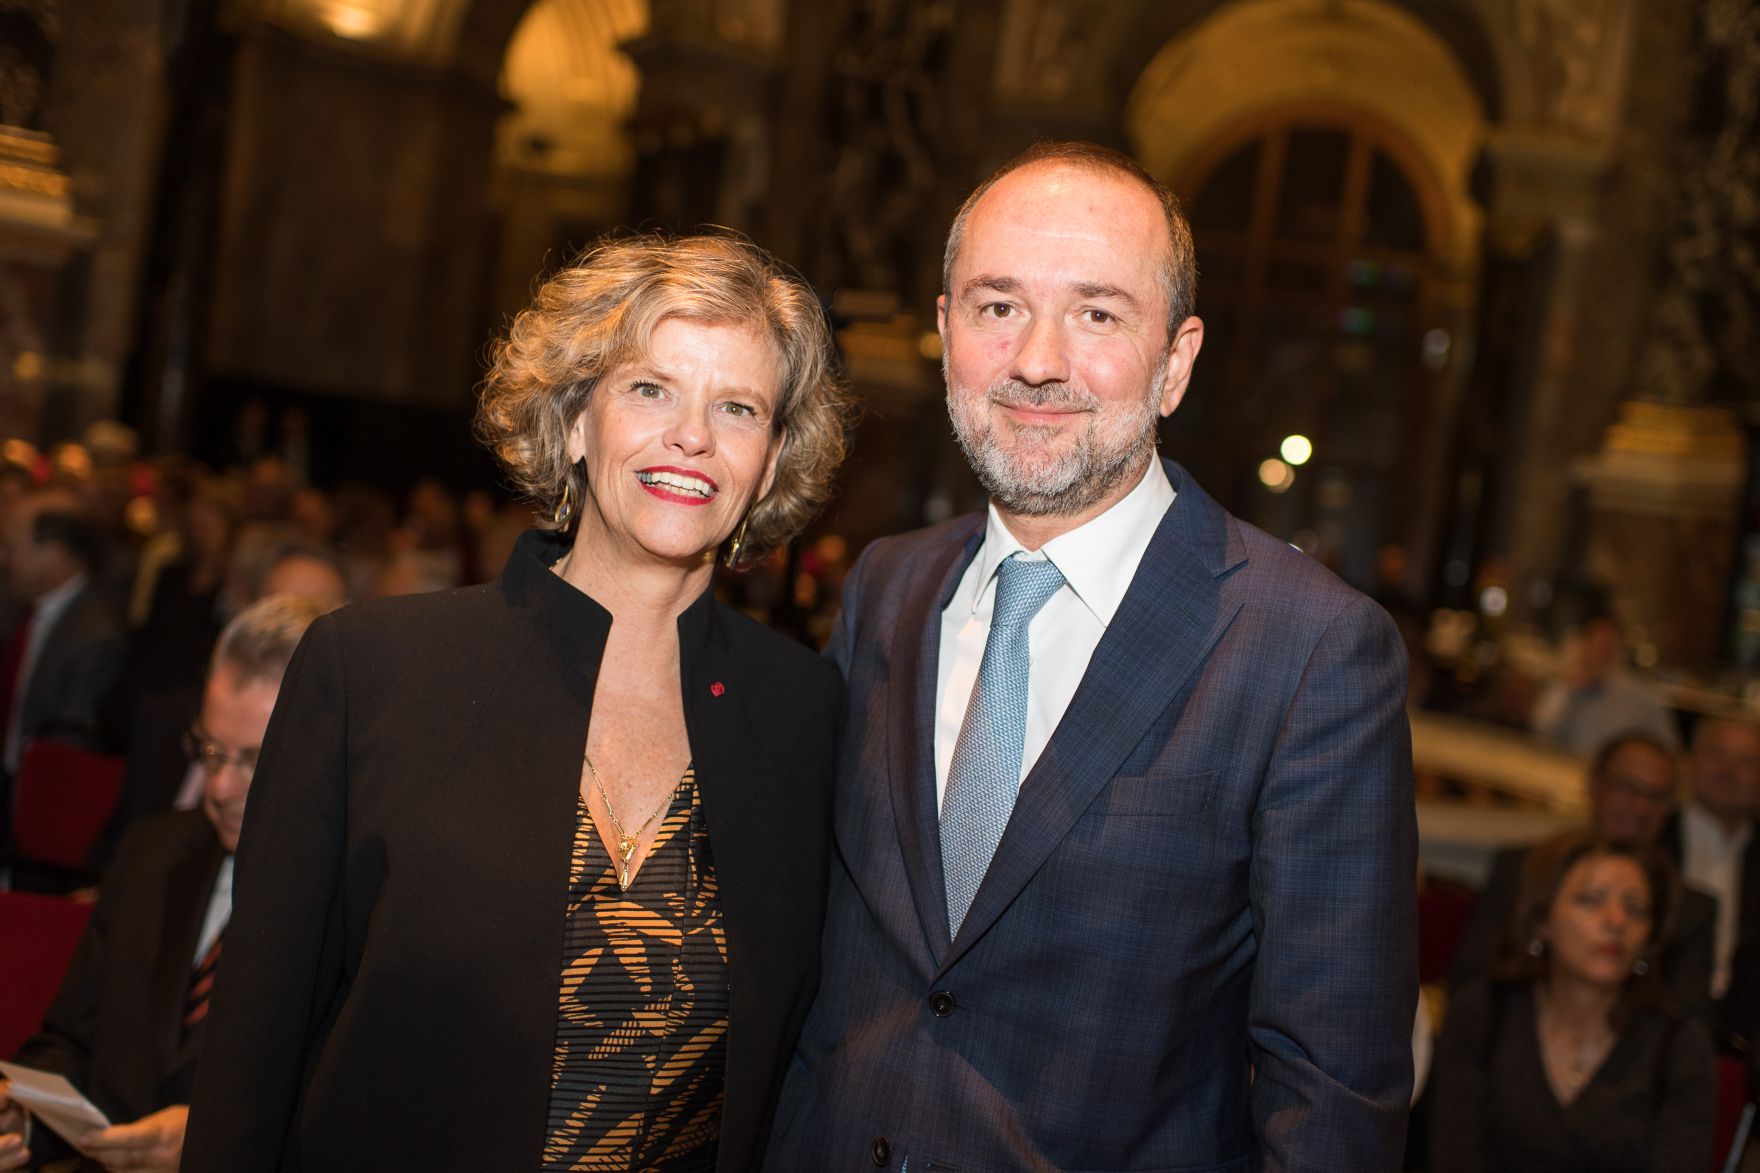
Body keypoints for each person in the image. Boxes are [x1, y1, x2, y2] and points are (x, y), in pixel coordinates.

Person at [764, 142, 1417, 1171]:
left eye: (1097, 315)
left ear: (1176, 362)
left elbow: (1331, 1094)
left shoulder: (1309, 651)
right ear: (945, 330)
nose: (1036, 360)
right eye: (998, 306)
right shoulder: (889, 586)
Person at [179, 233, 850, 1172]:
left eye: (737, 407)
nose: (692, 436)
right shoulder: (371, 674)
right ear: (574, 420)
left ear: (771, 460)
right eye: (650, 389)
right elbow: (251, 1066)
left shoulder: (803, 715)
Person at [0, 594, 333, 1172]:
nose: (219, 787)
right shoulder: (152, 853)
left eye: (255, 760)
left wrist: (210, 1145)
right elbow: (71, 1043)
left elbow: (358, 1127)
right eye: (210, 750)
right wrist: (23, 1117)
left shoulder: (358, 907)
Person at [1429, 834, 1716, 1172]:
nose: (1616, 921)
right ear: (1542, 921)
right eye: (1591, 900)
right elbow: (1451, 1156)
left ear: (1648, 941)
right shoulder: (1484, 1014)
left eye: (1635, 909)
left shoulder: (1678, 1045)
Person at [1451, 733, 1717, 1022]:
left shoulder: (1691, 910)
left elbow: (1685, 1018)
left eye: (1656, 796)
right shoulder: (1522, 871)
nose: (1640, 807)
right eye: (1628, 788)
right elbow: (1471, 981)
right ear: (1594, 785)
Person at [1665, 717, 1760, 1045]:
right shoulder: (1654, 836)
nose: (1728, 770)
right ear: (1690, 761)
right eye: (1717, 753)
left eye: (1746, 761)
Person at [1529, 613, 1678, 757]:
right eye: (1594, 643)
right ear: (1581, 646)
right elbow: (1539, 734)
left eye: (1607, 646)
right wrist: (1566, 689)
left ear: (1620, 650)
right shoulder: (1564, 688)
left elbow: (1667, 751)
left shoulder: (1641, 699)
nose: (1599, 654)